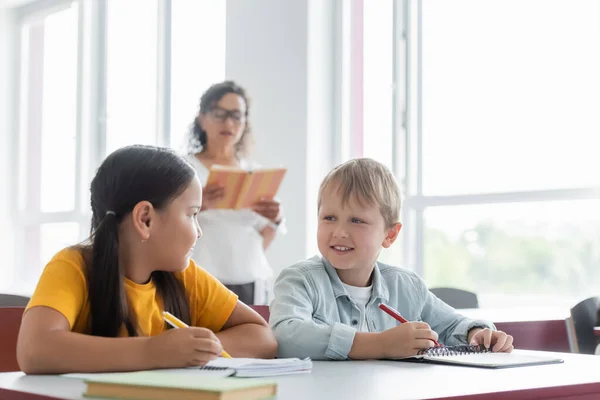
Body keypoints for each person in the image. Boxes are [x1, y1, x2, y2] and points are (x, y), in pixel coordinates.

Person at [16, 145, 277, 374]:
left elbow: (262, 337)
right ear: (145, 219)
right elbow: (34, 349)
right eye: (191, 214)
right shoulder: (74, 266)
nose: (198, 230)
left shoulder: (185, 276)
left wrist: (196, 349)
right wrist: (155, 352)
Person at [269, 158, 513, 360]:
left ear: (390, 234)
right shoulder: (299, 280)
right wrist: (380, 344)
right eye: (329, 218)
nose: (339, 232)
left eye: (357, 221)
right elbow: (286, 337)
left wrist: (477, 333)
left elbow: (450, 325)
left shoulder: (406, 286)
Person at [184, 81, 286, 305]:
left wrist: (275, 218)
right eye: (220, 113)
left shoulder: (255, 172)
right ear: (202, 118)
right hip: (202, 273)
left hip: (251, 276)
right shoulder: (184, 168)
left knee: (252, 336)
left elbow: (267, 231)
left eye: (237, 115)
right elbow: (167, 221)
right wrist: (198, 204)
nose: (229, 122)